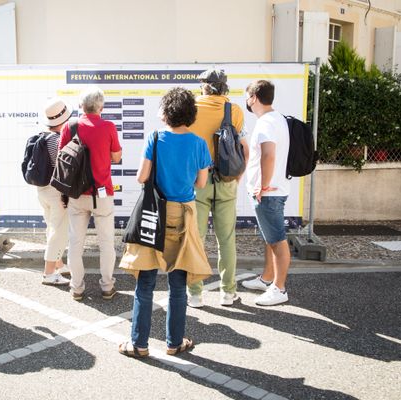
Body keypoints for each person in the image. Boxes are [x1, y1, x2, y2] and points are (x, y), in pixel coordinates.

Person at [118, 87, 212, 358]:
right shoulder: (199, 144)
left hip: (154, 214)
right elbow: (201, 183)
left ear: (166, 112)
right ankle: (174, 343)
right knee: (178, 283)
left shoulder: (155, 138)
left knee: (145, 281)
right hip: (184, 214)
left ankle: (139, 344)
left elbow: (141, 177)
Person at [187, 69, 249, 308]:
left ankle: (195, 294)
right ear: (224, 87)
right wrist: (237, 179)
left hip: (197, 182)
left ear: (204, 86)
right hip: (226, 182)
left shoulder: (191, 108)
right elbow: (244, 149)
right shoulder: (233, 110)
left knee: (196, 239)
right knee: (226, 240)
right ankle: (227, 293)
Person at [59, 86, 122, 301]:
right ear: (101, 106)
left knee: (76, 242)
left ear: (80, 106)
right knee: (106, 243)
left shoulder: (70, 126)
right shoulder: (108, 127)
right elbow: (116, 157)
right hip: (103, 193)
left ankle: (77, 288)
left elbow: (62, 157)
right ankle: (106, 286)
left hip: (77, 193)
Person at [241, 80, 291, 306]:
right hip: (273, 190)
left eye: (247, 96)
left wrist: (262, 185)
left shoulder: (266, 123)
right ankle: (267, 278)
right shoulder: (276, 118)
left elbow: (268, 154)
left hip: (269, 193)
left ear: (253, 97)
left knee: (278, 240)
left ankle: (279, 289)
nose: (247, 101)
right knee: (270, 238)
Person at [37, 98, 72, 286]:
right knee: (58, 231)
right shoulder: (59, 140)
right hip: (56, 191)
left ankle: (58, 264)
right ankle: (49, 273)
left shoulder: (42, 136)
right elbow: (63, 168)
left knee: (51, 227)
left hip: (41, 190)